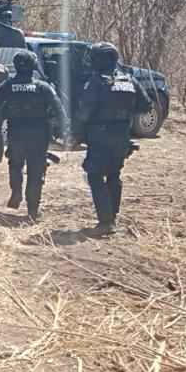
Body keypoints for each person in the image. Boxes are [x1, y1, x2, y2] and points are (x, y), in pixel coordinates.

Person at [0, 50, 69, 222]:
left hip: (16, 133)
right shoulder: (43, 86)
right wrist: (66, 130)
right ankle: (33, 211)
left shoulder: (6, 86)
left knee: (15, 164)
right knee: (36, 171)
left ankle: (16, 192)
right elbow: (58, 108)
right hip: (39, 135)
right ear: (33, 66)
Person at [74, 42, 152, 236]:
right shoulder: (130, 80)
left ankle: (105, 221)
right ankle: (112, 217)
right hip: (122, 135)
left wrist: (75, 132)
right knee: (114, 175)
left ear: (102, 59)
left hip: (99, 135)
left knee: (95, 175)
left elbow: (85, 110)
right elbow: (147, 105)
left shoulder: (96, 81)